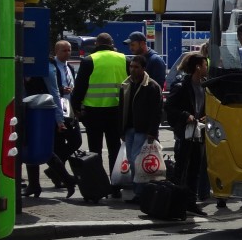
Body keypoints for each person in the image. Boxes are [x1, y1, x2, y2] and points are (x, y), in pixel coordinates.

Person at [164, 53, 212, 216]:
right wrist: (186, 116)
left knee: (195, 169)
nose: (207, 67)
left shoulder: (205, 84)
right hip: (185, 133)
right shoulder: (182, 85)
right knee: (182, 168)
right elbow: (170, 107)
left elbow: (205, 106)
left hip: (198, 133)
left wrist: (206, 115)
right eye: (205, 65)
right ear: (198, 67)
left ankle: (191, 202)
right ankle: (177, 203)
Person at [72, 32, 126, 172]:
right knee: (115, 147)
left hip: (93, 111)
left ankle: (98, 184)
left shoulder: (89, 60)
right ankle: (115, 184)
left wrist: (76, 107)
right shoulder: (124, 59)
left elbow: (80, 87)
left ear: (96, 44)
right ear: (112, 44)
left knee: (95, 150)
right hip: (116, 110)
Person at [22, 56, 73, 199]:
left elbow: (55, 93)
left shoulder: (47, 68)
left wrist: (59, 119)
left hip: (43, 113)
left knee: (44, 150)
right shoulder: (27, 66)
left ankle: (68, 180)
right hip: (31, 111)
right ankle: (34, 185)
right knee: (30, 146)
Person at [119, 54, 163, 203]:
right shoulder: (127, 84)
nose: (133, 69)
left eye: (136, 67)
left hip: (143, 130)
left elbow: (156, 112)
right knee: (133, 161)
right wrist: (122, 130)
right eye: (131, 66)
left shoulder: (151, 86)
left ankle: (141, 193)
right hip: (129, 129)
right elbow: (122, 108)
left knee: (137, 161)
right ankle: (138, 191)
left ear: (144, 68)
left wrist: (152, 132)